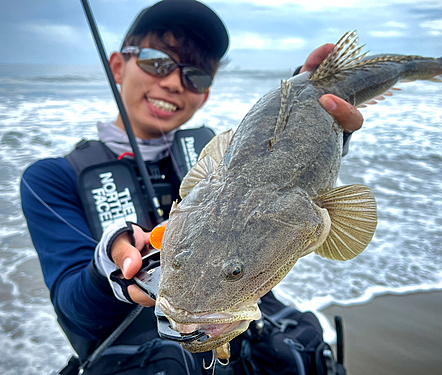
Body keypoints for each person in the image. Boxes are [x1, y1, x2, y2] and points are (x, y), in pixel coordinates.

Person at [20, 1, 363, 374]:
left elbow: (286, 181)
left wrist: (315, 112)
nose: (172, 82)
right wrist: (105, 270)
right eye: (156, 61)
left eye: (195, 75)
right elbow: (73, 308)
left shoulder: (220, 155)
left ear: (205, 94)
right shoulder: (51, 179)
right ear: (118, 66)